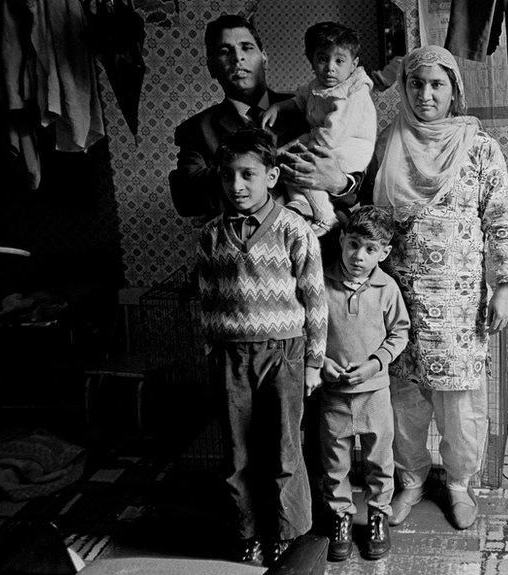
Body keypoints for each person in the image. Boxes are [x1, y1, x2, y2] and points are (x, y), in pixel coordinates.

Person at [372, 46, 508, 530]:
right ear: (406, 89)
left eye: (437, 84)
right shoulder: (385, 143)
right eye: (417, 84)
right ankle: (410, 481)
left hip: (458, 303)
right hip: (398, 296)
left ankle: (460, 485)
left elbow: (499, 221)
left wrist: (504, 286)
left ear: (454, 89)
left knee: (460, 405)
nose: (426, 93)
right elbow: (372, 221)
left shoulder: (479, 147)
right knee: (405, 401)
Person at [195, 128, 326, 566]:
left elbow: (314, 298)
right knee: (236, 451)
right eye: (228, 175)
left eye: (248, 174)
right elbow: (207, 296)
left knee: (285, 447)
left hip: (284, 352)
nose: (237, 185)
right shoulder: (211, 235)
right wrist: (211, 346)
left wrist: (313, 362)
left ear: (271, 176)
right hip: (231, 354)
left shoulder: (294, 228)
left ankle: (289, 533)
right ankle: (246, 530)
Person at [169, 14, 366, 254]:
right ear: (211, 66)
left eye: (246, 48)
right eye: (224, 51)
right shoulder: (196, 130)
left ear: (264, 59)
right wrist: (255, 169)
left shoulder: (312, 107)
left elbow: (357, 183)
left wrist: (339, 183)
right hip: (246, 262)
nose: (237, 58)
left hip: (321, 256)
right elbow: (187, 198)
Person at [319, 206, 409, 561]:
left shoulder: (387, 289)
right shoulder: (321, 283)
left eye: (370, 249)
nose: (359, 256)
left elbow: (399, 333)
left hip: (374, 393)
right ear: (342, 240)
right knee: (334, 461)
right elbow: (311, 331)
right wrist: (320, 361)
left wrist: (375, 365)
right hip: (334, 394)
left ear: (384, 253)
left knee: (379, 459)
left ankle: (378, 515)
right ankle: (341, 515)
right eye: (353, 244)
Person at [261, 22, 376, 238]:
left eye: (339, 61)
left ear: (354, 64)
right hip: (326, 140)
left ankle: (325, 216)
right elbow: (300, 101)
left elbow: (335, 132)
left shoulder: (353, 92)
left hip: (349, 145)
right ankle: (301, 203)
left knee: (304, 166)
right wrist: (279, 106)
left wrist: (305, 142)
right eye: (323, 59)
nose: (330, 67)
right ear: (311, 61)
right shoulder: (318, 86)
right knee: (292, 170)